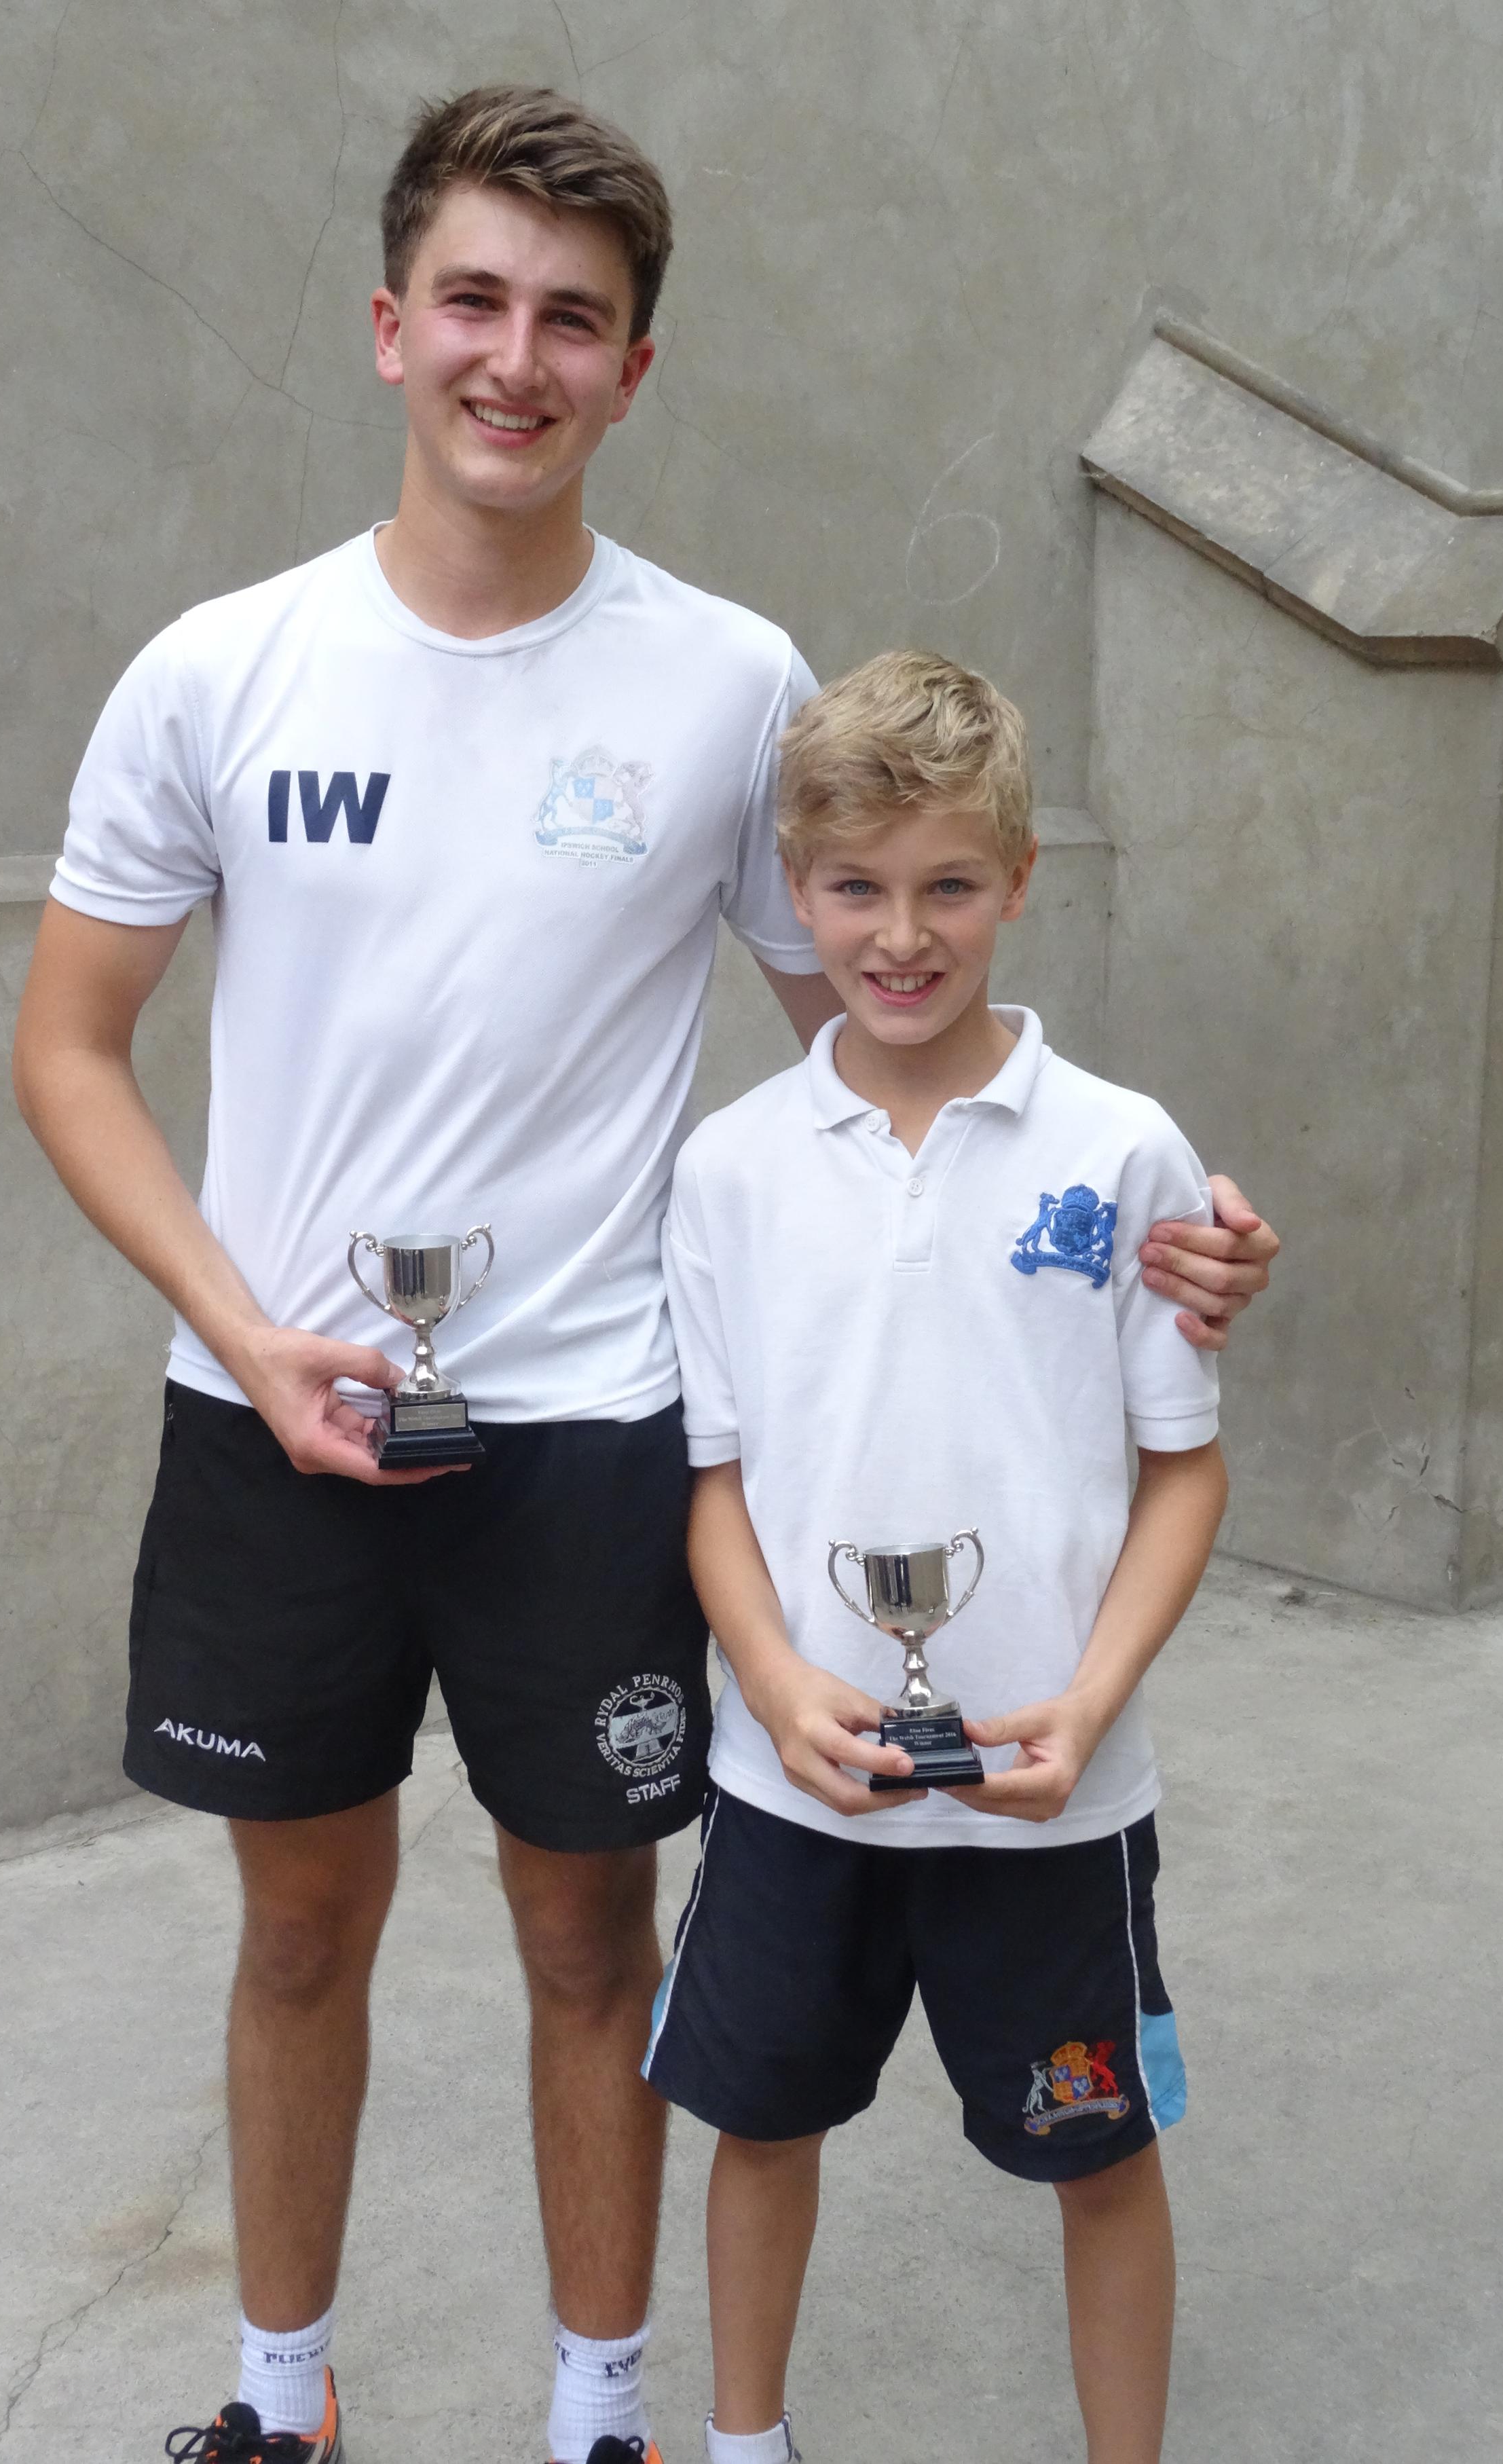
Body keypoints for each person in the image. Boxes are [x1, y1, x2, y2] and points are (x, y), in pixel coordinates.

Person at [10, 86, 1276, 2464]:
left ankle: (603, 2415)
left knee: (592, 1943)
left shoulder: (720, 686)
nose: (517, 357)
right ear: (391, 331)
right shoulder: (220, 668)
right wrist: (241, 1318)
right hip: (269, 1419)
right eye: (472, 304)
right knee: (297, 1934)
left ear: (631, 370)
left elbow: (882, 1060)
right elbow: (69, 1049)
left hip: (591, 1437)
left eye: (570, 320)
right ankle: (280, 2404)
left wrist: (1135, 1224)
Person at [644, 649, 1231, 2464]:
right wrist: (770, 1673)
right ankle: (746, 2443)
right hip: (791, 1787)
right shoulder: (732, 1170)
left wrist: (1088, 1701)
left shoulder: (1120, 1152)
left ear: (1018, 878)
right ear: (795, 892)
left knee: (1101, 2155)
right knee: (760, 2130)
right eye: (853, 890)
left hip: (1048, 1805)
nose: (899, 936)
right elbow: (711, 1477)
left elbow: (1181, 1472)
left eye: (946, 887)